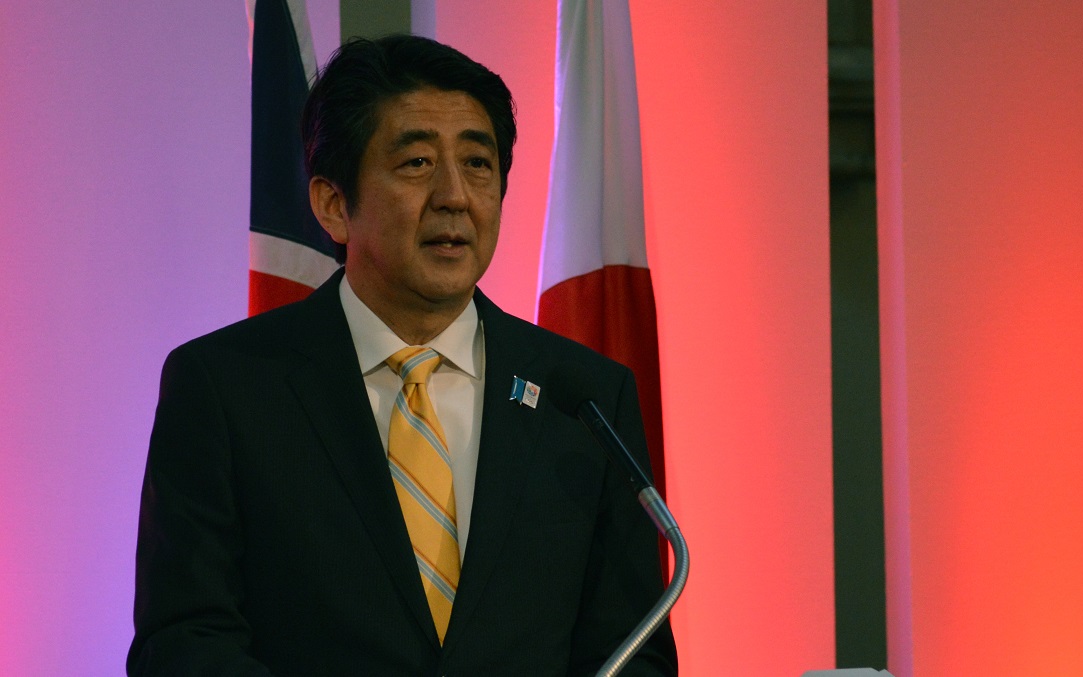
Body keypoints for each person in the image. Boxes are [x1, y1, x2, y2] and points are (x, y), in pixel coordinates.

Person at [127, 34, 676, 676]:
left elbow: (634, 652)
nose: (455, 196)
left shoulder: (582, 398)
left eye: (479, 164)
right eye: (416, 163)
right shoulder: (227, 388)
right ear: (334, 205)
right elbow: (186, 645)